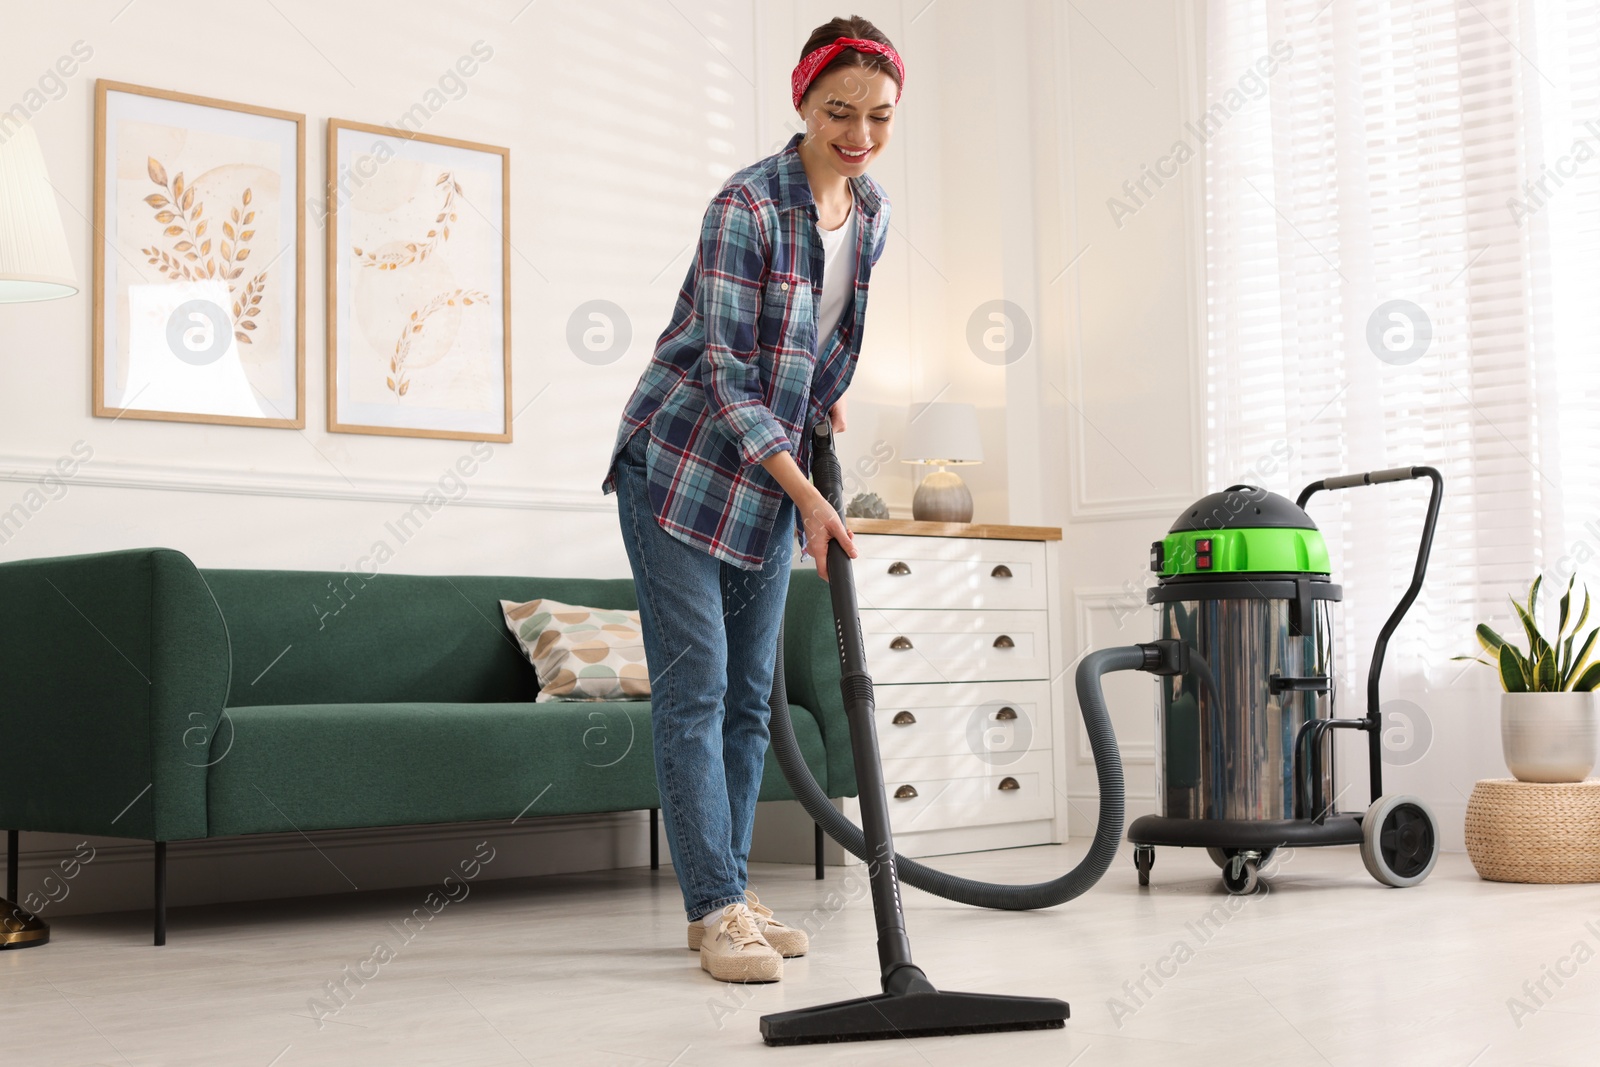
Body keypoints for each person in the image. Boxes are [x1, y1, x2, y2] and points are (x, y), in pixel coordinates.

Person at [600, 15, 902, 983]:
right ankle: (717, 904)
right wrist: (810, 494)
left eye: (879, 116)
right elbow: (728, 374)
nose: (857, 134)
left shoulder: (874, 210)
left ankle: (722, 888)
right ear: (802, 103)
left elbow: (821, 334)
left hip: (768, 477)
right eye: (838, 112)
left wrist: (822, 393)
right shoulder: (745, 207)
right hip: (680, 466)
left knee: (745, 706)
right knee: (695, 693)